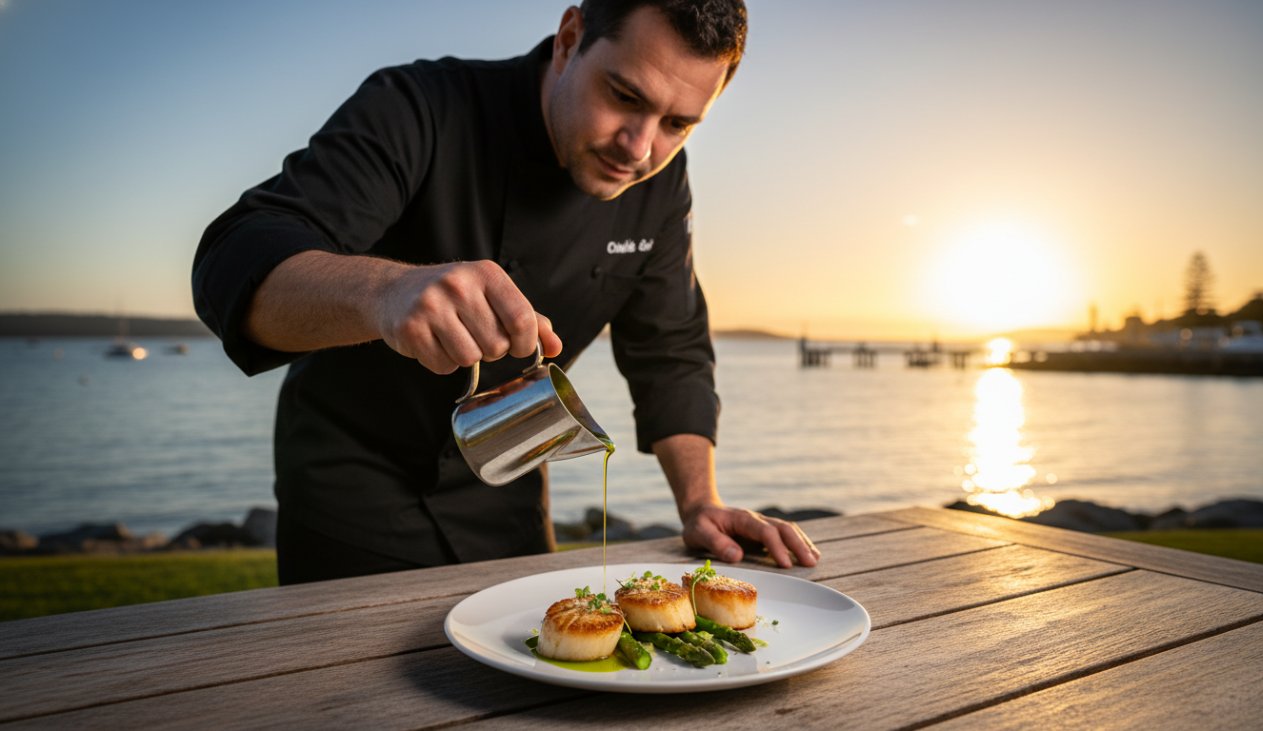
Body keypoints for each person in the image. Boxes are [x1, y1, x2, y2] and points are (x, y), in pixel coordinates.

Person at [192, 0, 821, 585]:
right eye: (624, 95)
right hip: (350, 487)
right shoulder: (419, 105)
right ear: (569, 39)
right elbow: (236, 258)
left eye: (678, 123)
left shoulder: (660, 182)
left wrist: (699, 502)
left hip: (509, 488)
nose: (639, 147)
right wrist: (386, 293)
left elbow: (672, 351)